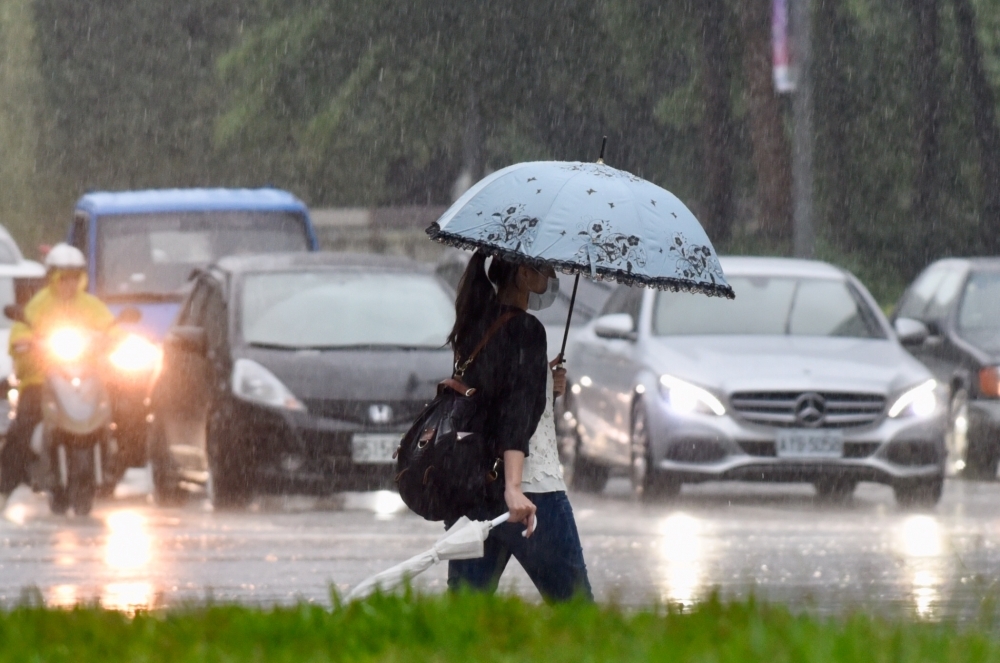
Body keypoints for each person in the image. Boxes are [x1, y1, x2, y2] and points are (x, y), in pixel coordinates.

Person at [445, 251, 593, 601]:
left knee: (463, 620)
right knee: (578, 612)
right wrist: (513, 488)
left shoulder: (474, 326)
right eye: (546, 268)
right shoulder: (526, 330)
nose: (553, 275)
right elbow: (514, 415)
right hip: (529, 492)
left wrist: (544, 381)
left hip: (476, 493)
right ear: (524, 275)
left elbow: (494, 403)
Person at [0, 244, 116, 512]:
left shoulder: (92, 305)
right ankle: (4, 488)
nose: (69, 283)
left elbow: (111, 328)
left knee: (122, 410)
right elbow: (19, 332)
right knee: (23, 426)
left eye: (74, 276)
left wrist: (116, 338)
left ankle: (114, 464)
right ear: (52, 277)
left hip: (86, 376)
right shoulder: (37, 305)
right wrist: (24, 343)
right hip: (42, 380)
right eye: (63, 276)